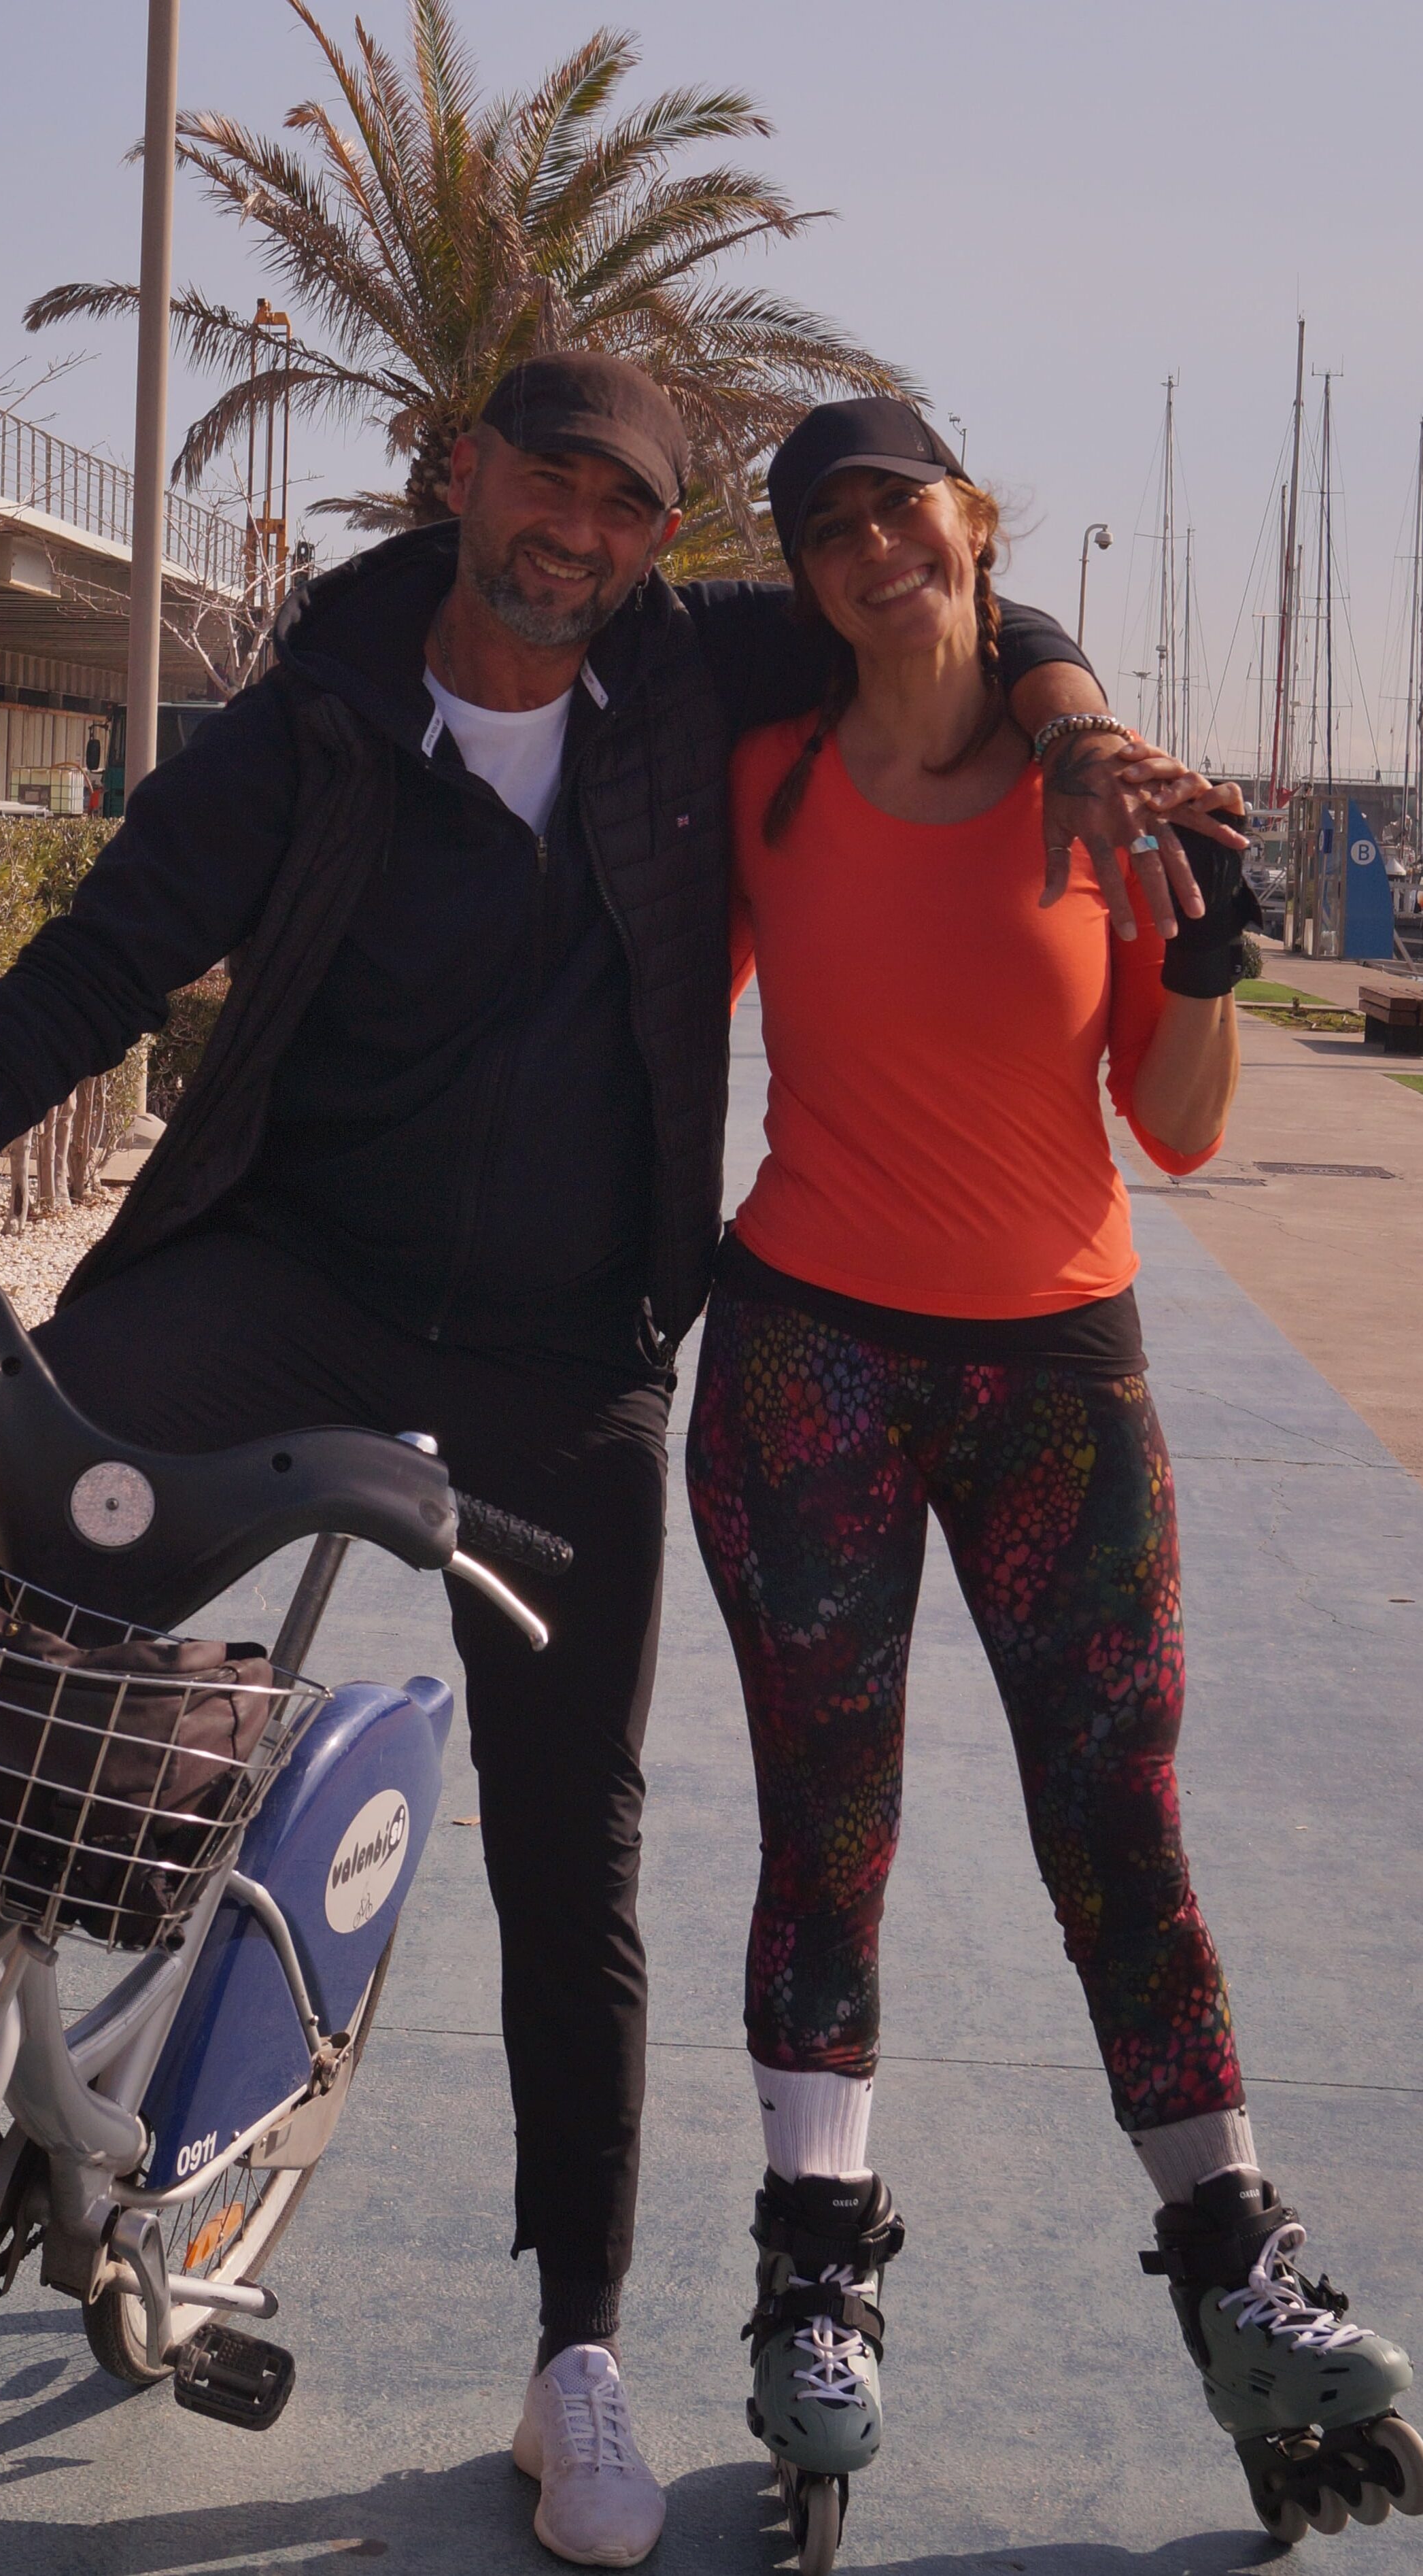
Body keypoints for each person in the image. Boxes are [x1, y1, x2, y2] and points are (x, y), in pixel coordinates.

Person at [0, 356, 1220, 2571]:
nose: (581, 532)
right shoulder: (318, 714)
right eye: (550, 480)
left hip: (566, 1344)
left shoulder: (686, 664)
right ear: (463, 477)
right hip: (291, 1270)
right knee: (43, 1463)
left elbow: (945, 595)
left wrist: (1078, 709)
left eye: (627, 504)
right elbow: (97, 961)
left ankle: (578, 2349)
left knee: (570, 1836)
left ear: (657, 540)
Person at [685, 396, 1418, 2547]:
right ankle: (815, 2276)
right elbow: (658, 1009)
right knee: (827, 1826)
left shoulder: (1104, 794)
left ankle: (1235, 2256)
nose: (867, 547)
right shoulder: (768, 777)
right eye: (825, 527)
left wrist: (1203, 955)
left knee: (1119, 1818)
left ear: (973, 524)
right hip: (806, 1359)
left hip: (1058, 1379)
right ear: (802, 576)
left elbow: (1175, 1123)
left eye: (896, 509)